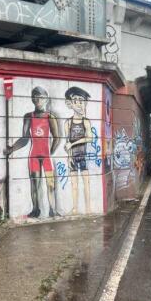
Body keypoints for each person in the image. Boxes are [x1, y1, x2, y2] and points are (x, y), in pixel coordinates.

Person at [6, 86, 59, 217]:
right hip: (33, 155)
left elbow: (57, 137)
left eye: (40, 96)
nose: (37, 99)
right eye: (35, 96)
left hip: (46, 156)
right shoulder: (28, 117)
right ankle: (36, 210)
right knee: (34, 184)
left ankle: (53, 210)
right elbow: (25, 139)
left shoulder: (50, 117)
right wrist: (11, 149)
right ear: (32, 99)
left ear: (45, 99)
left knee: (50, 184)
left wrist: (50, 152)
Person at [64, 87, 93, 215]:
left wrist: (73, 143)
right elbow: (66, 142)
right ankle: (75, 208)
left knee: (86, 184)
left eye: (82, 101)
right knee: (74, 184)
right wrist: (69, 157)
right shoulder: (68, 123)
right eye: (76, 100)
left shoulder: (86, 122)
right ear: (71, 103)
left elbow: (89, 138)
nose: (79, 103)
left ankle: (88, 208)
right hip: (73, 157)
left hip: (83, 156)